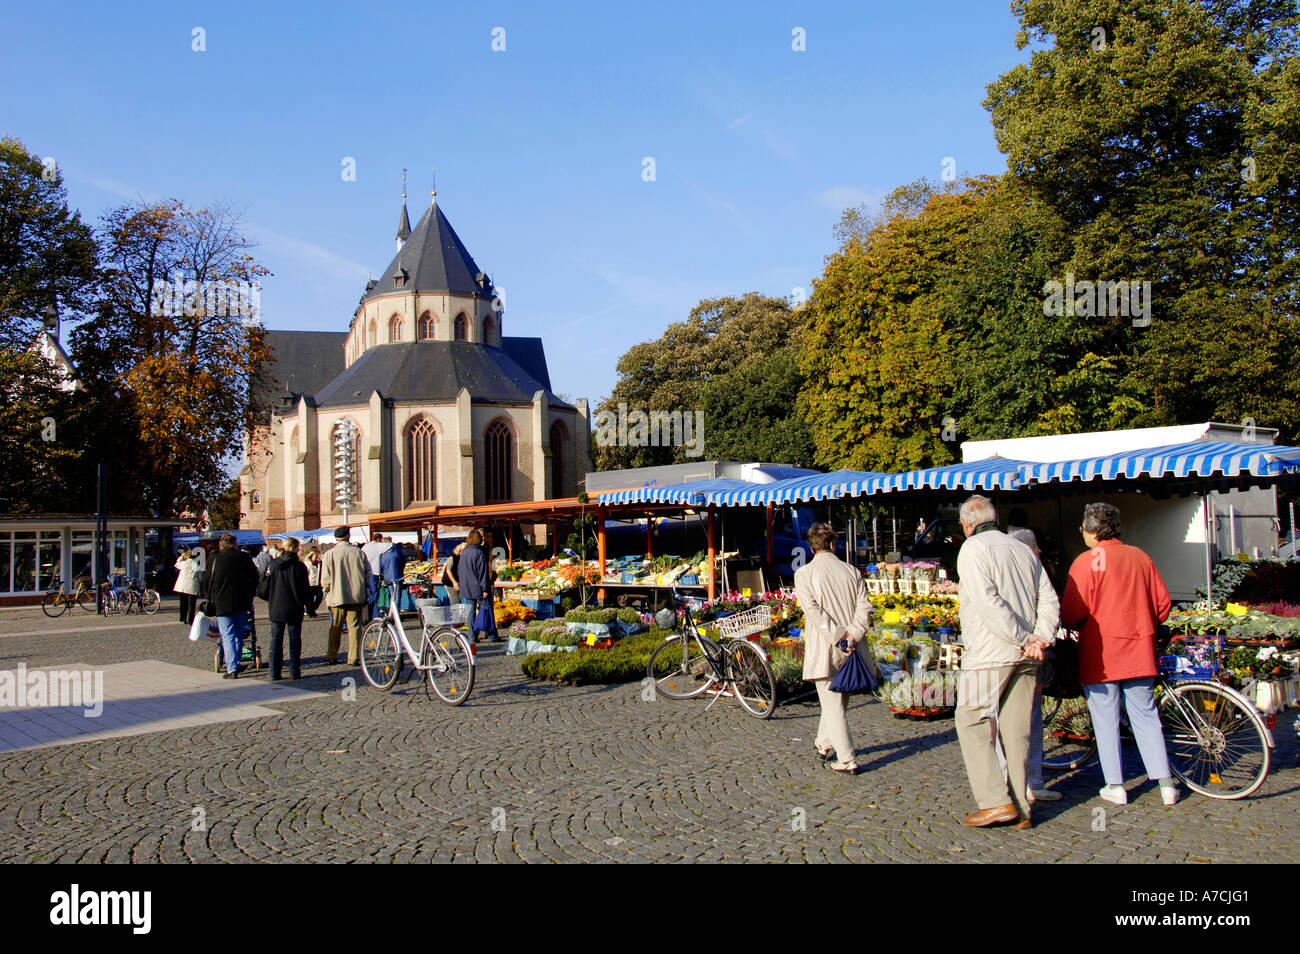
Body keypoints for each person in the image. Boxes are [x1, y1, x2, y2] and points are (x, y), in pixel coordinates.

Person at [1060, 502, 1178, 807]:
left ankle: (1116, 784)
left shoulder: (1086, 563)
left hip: (1101, 655)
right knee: (1146, 715)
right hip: (1139, 649)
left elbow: (1072, 612)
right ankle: (1166, 783)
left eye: (1083, 527)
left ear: (1092, 530)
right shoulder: (1140, 557)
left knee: (1105, 718)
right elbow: (1163, 605)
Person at [953, 495, 1059, 830]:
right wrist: (1039, 637)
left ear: (966, 523)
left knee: (971, 721)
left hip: (991, 652)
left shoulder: (972, 549)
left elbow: (988, 603)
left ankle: (996, 802)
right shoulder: (1021, 548)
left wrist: (1024, 638)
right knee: (1017, 732)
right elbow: (1049, 597)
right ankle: (1022, 806)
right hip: (1026, 654)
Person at [793, 522, 876, 774]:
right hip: (853, 646)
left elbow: (814, 612)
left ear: (810, 547)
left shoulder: (804, 574)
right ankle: (823, 743)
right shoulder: (851, 571)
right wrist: (853, 633)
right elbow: (865, 607)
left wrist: (839, 636)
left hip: (826, 647)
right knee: (837, 703)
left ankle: (847, 759)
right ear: (832, 544)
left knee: (832, 705)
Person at [1007, 528, 1061, 803]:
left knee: (1014, 721)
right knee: (1032, 720)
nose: (1040, 551)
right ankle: (1032, 781)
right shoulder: (1034, 570)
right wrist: (1039, 641)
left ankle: (1017, 782)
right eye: (1036, 546)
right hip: (1030, 654)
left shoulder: (1003, 572)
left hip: (1012, 652)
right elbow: (1050, 605)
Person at [203, 533, 259, 679]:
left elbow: (207, 581)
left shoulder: (214, 560)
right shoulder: (244, 558)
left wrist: (210, 597)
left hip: (222, 602)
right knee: (239, 634)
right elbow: (254, 578)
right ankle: (235, 661)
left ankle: (232, 667)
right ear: (235, 544)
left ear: (221, 544)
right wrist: (250, 594)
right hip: (242, 601)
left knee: (227, 635)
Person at [259, 536, 310, 681]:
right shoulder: (299, 567)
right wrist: (310, 607)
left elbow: (263, 587)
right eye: (298, 548)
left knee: (275, 639)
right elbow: (305, 590)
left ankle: (274, 672)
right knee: (294, 641)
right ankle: (295, 671)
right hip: (294, 606)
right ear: (293, 548)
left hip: (277, 606)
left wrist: (272, 597)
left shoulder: (273, 565)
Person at [320, 526, 371, 666]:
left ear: (336, 538)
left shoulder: (329, 554)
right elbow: (367, 574)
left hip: (337, 596)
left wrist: (327, 590)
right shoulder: (359, 553)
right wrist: (366, 588)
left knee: (335, 626)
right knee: (354, 627)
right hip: (356, 596)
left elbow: (325, 579)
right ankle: (354, 657)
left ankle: (332, 655)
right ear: (348, 537)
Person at [457, 530, 491, 644]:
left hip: (466, 586)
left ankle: (472, 636)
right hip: (478, 586)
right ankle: (489, 633)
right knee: (486, 608)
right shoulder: (479, 552)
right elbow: (482, 571)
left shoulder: (464, 552)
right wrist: (485, 588)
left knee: (471, 612)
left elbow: (460, 570)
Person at [362, 533, 391, 620]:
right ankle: (375, 616)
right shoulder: (377, 546)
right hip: (374, 573)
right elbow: (390, 545)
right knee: (375, 594)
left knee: (369, 593)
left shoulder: (365, 547)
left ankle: (369, 615)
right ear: (378, 539)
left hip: (365, 572)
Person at [378, 537, 407, 615]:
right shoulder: (397, 552)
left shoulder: (382, 554)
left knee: (392, 595)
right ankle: (396, 612)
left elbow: (380, 566)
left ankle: (391, 612)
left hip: (387, 577)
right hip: (398, 576)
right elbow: (403, 562)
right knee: (397, 595)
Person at [173, 549, 202, 625]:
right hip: (192, 586)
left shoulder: (184, 563)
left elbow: (176, 564)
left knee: (183, 602)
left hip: (182, 585)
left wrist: (182, 556)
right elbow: (200, 577)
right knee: (192, 604)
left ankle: (183, 618)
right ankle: (190, 619)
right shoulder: (197, 565)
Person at [303, 545, 324, 618]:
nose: (317, 556)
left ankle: (312, 609)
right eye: (316, 555)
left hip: (318, 583)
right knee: (310, 600)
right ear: (312, 555)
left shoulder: (319, 563)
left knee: (319, 597)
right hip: (310, 583)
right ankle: (311, 612)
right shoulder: (307, 564)